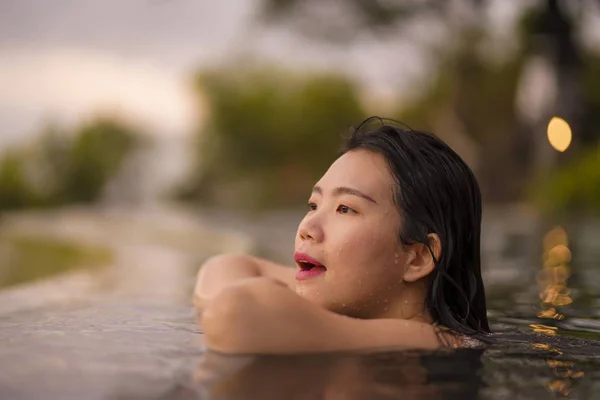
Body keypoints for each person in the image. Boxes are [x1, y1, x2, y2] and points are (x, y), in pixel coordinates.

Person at [193, 116, 491, 354]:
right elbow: (225, 266)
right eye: (313, 205)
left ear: (418, 257)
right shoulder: (365, 308)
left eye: (345, 209)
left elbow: (235, 313)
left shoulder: (433, 344)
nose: (307, 229)